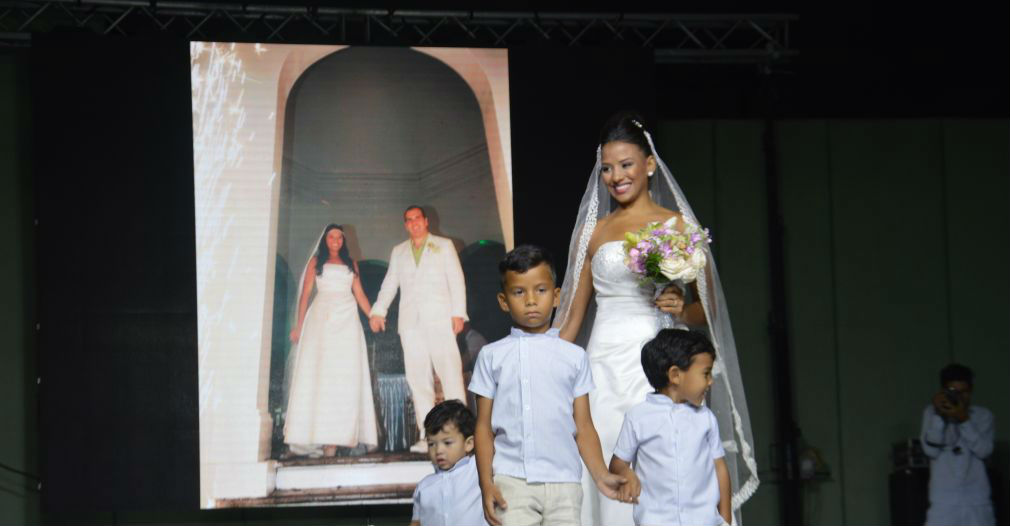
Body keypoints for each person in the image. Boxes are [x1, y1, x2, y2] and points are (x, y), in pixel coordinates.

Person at [553, 111, 758, 525]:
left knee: (669, 461)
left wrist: (681, 308)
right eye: (607, 168)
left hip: (664, 361)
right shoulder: (594, 233)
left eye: (626, 165)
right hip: (606, 364)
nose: (616, 176)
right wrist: (548, 368)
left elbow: (710, 311)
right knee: (610, 449)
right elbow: (573, 317)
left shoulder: (677, 226)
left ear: (648, 164)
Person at [468, 245, 624, 526]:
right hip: (511, 482)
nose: (530, 300)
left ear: (556, 296)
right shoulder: (491, 356)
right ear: (504, 301)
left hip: (564, 484)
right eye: (519, 292)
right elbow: (483, 427)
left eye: (540, 290)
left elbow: (584, 426)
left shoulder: (574, 356)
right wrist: (485, 484)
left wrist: (601, 475)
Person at [370, 205, 469, 454]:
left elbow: (456, 279)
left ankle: (460, 433)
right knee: (417, 379)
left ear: (426, 221)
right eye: (408, 220)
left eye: (417, 218)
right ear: (405, 224)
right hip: (410, 323)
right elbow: (390, 282)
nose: (413, 223)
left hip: (440, 320)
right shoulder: (399, 251)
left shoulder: (444, 246)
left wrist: (458, 312)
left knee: (450, 374)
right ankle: (430, 437)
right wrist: (378, 311)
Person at [609, 329, 732, 526]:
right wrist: (627, 474)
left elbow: (720, 468)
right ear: (675, 375)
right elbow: (617, 463)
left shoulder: (706, 419)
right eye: (706, 373)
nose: (711, 381)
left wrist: (726, 520)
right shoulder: (638, 417)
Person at [284, 224, 377, 456]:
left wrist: (373, 316)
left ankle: (338, 437)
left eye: (339, 237)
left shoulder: (351, 264)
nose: (335, 240)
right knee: (321, 375)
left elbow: (360, 295)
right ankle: (322, 437)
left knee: (343, 376)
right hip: (321, 319)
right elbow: (305, 295)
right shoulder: (316, 263)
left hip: (347, 321)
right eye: (331, 237)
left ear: (343, 240)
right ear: (325, 240)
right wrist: (299, 325)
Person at [920, 363, 995, 526]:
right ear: (943, 391)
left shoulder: (983, 415)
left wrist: (964, 419)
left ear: (972, 390)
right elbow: (930, 451)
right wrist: (940, 415)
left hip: (977, 502)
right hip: (944, 503)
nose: (960, 398)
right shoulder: (931, 413)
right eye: (954, 392)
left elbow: (984, 451)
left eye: (965, 392)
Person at [410, 399, 488, 526]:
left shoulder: (478, 470)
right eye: (431, 444)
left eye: (447, 443)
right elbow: (416, 522)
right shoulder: (424, 487)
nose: (438, 450)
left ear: (469, 444)